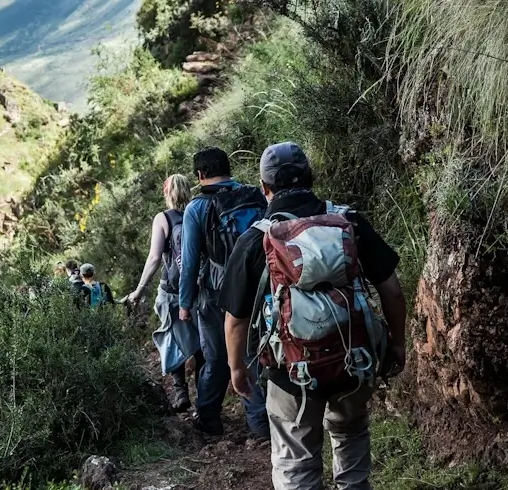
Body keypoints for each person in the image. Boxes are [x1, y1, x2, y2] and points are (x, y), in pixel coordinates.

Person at [219, 142, 407, 490]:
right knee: (351, 439)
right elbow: (392, 289)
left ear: (265, 188)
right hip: (356, 361)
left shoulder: (256, 240)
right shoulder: (349, 223)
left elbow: (236, 320)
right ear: (312, 176)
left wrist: (236, 368)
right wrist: (397, 344)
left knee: (296, 464)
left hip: (291, 372)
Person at [178, 147, 269, 437]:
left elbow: (190, 261)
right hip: (260, 287)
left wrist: (184, 302)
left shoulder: (197, 207)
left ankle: (209, 421)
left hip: (216, 293)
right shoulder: (254, 195)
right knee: (254, 353)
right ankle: (262, 425)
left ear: (200, 175)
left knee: (217, 358)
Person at [128, 174, 204, 412]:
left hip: (170, 290)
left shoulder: (163, 218)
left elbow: (154, 258)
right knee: (201, 343)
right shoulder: (197, 213)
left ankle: (181, 391)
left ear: (166, 192)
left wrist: (139, 290)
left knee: (172, 339)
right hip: (198, 289)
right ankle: (204, 396)